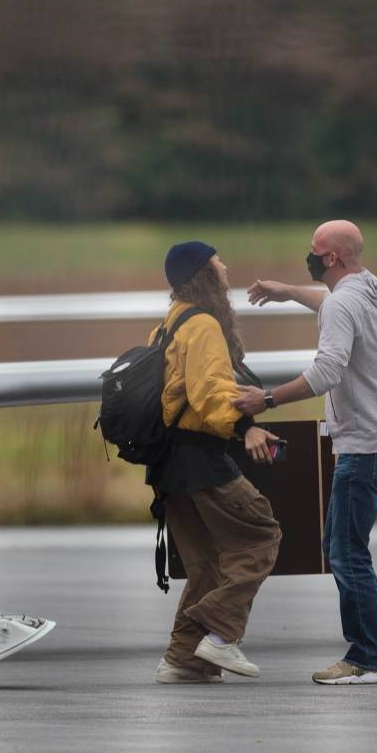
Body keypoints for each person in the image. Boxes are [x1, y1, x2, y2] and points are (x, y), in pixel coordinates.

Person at [233, 220, 377, 685]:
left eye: (315, 250)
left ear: (331, 259)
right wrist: (288, 291)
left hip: (365, 447)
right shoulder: (367, 288)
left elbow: (327, 371)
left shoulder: (344, 304)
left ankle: (366, 658)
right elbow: (333, 304)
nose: (309, 256)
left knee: (345, 552)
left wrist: (265, 399)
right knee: (347, 546)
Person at [150, 241, 283, 684]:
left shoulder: (170, 323)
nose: (225, 265)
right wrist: (246, 427)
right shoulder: (203, 324)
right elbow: (209, 394)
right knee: (260, 535)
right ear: (205, 273)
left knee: (206, 564)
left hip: (169, 465)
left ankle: (183, 659)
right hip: (201, 457)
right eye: (217, 260)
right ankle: (221, 636)